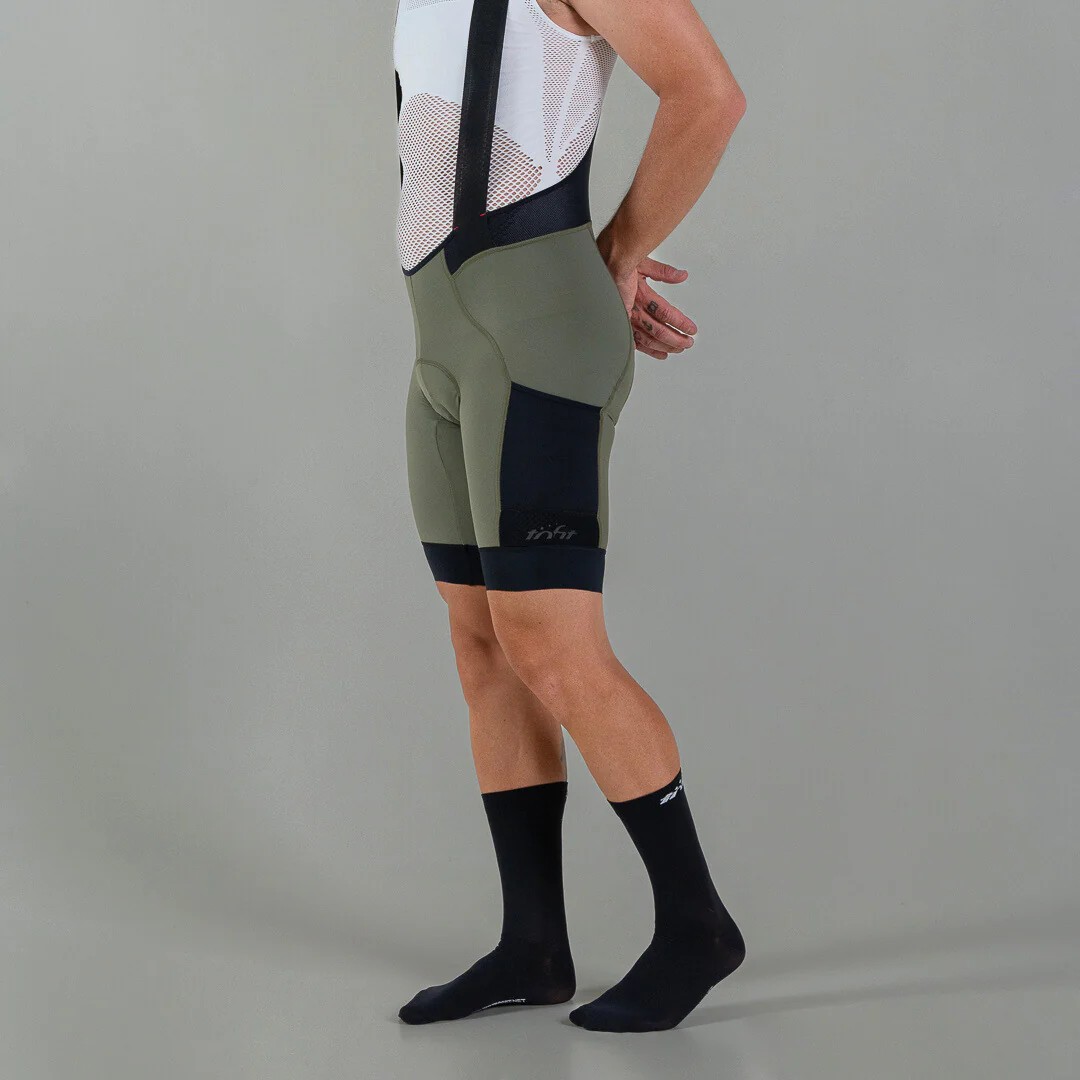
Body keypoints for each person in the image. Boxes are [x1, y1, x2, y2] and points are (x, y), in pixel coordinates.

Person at [392, 0, 747, 1032]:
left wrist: (618, 254)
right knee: (481, 643)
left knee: (551, 644)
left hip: (539, 333)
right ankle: (533, 947)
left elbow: (709, 96)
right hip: (444, 344)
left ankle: (696, 925)